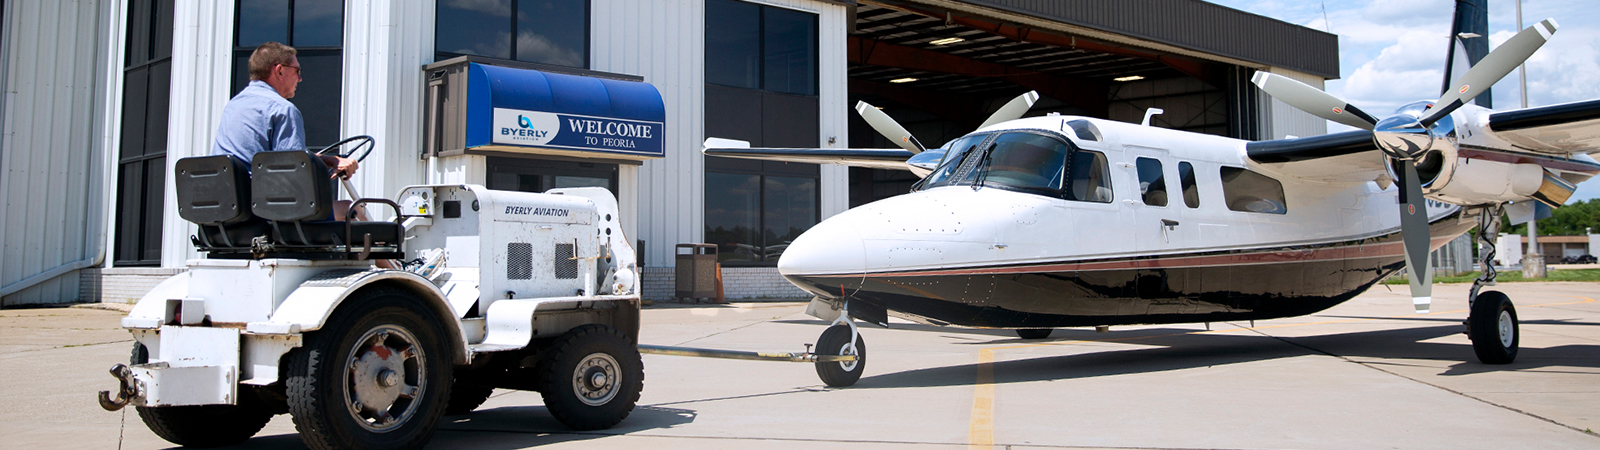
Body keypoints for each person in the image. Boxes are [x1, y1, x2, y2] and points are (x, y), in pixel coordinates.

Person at [212, 41, 357, 179]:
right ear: (280, 71)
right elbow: (295, 169)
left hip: (226, 198)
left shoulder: (233, 105)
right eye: (297, 71)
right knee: (351, 206)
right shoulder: (282, 109)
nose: (299, 79)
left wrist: (329, 160)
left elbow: (285, 157)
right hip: (263, 200)